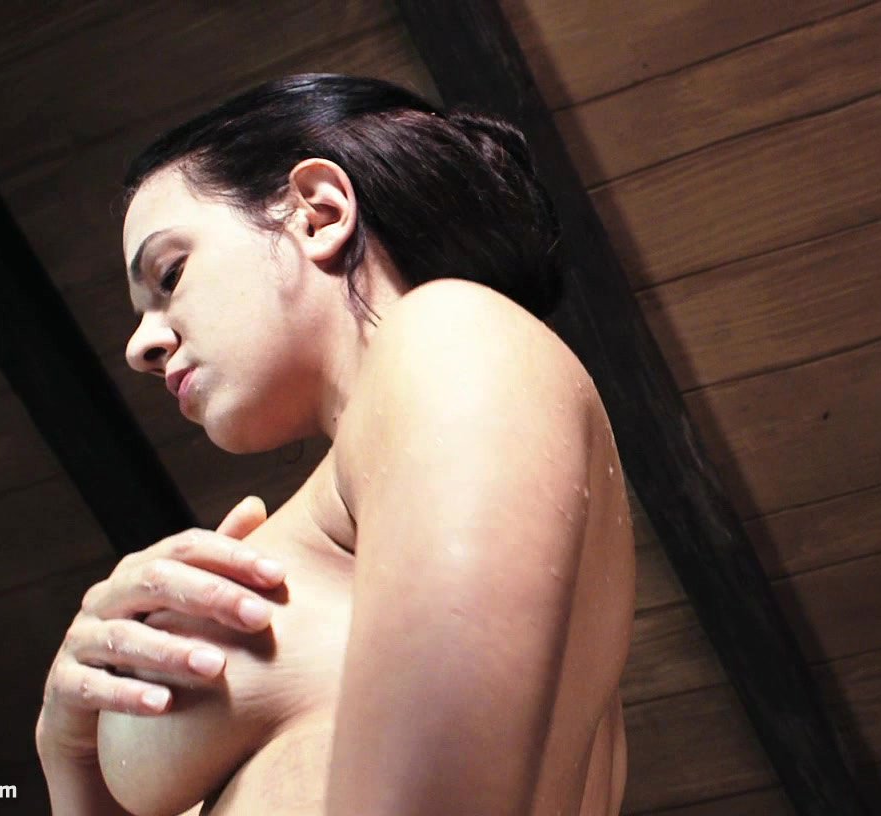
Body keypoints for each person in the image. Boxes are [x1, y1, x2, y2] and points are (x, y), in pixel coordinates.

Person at [32, 73, 636, 815]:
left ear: (318, 213)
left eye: (170, 273)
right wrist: (69, 750)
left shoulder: (455, 335)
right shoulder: (374, 483)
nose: (139, 348)